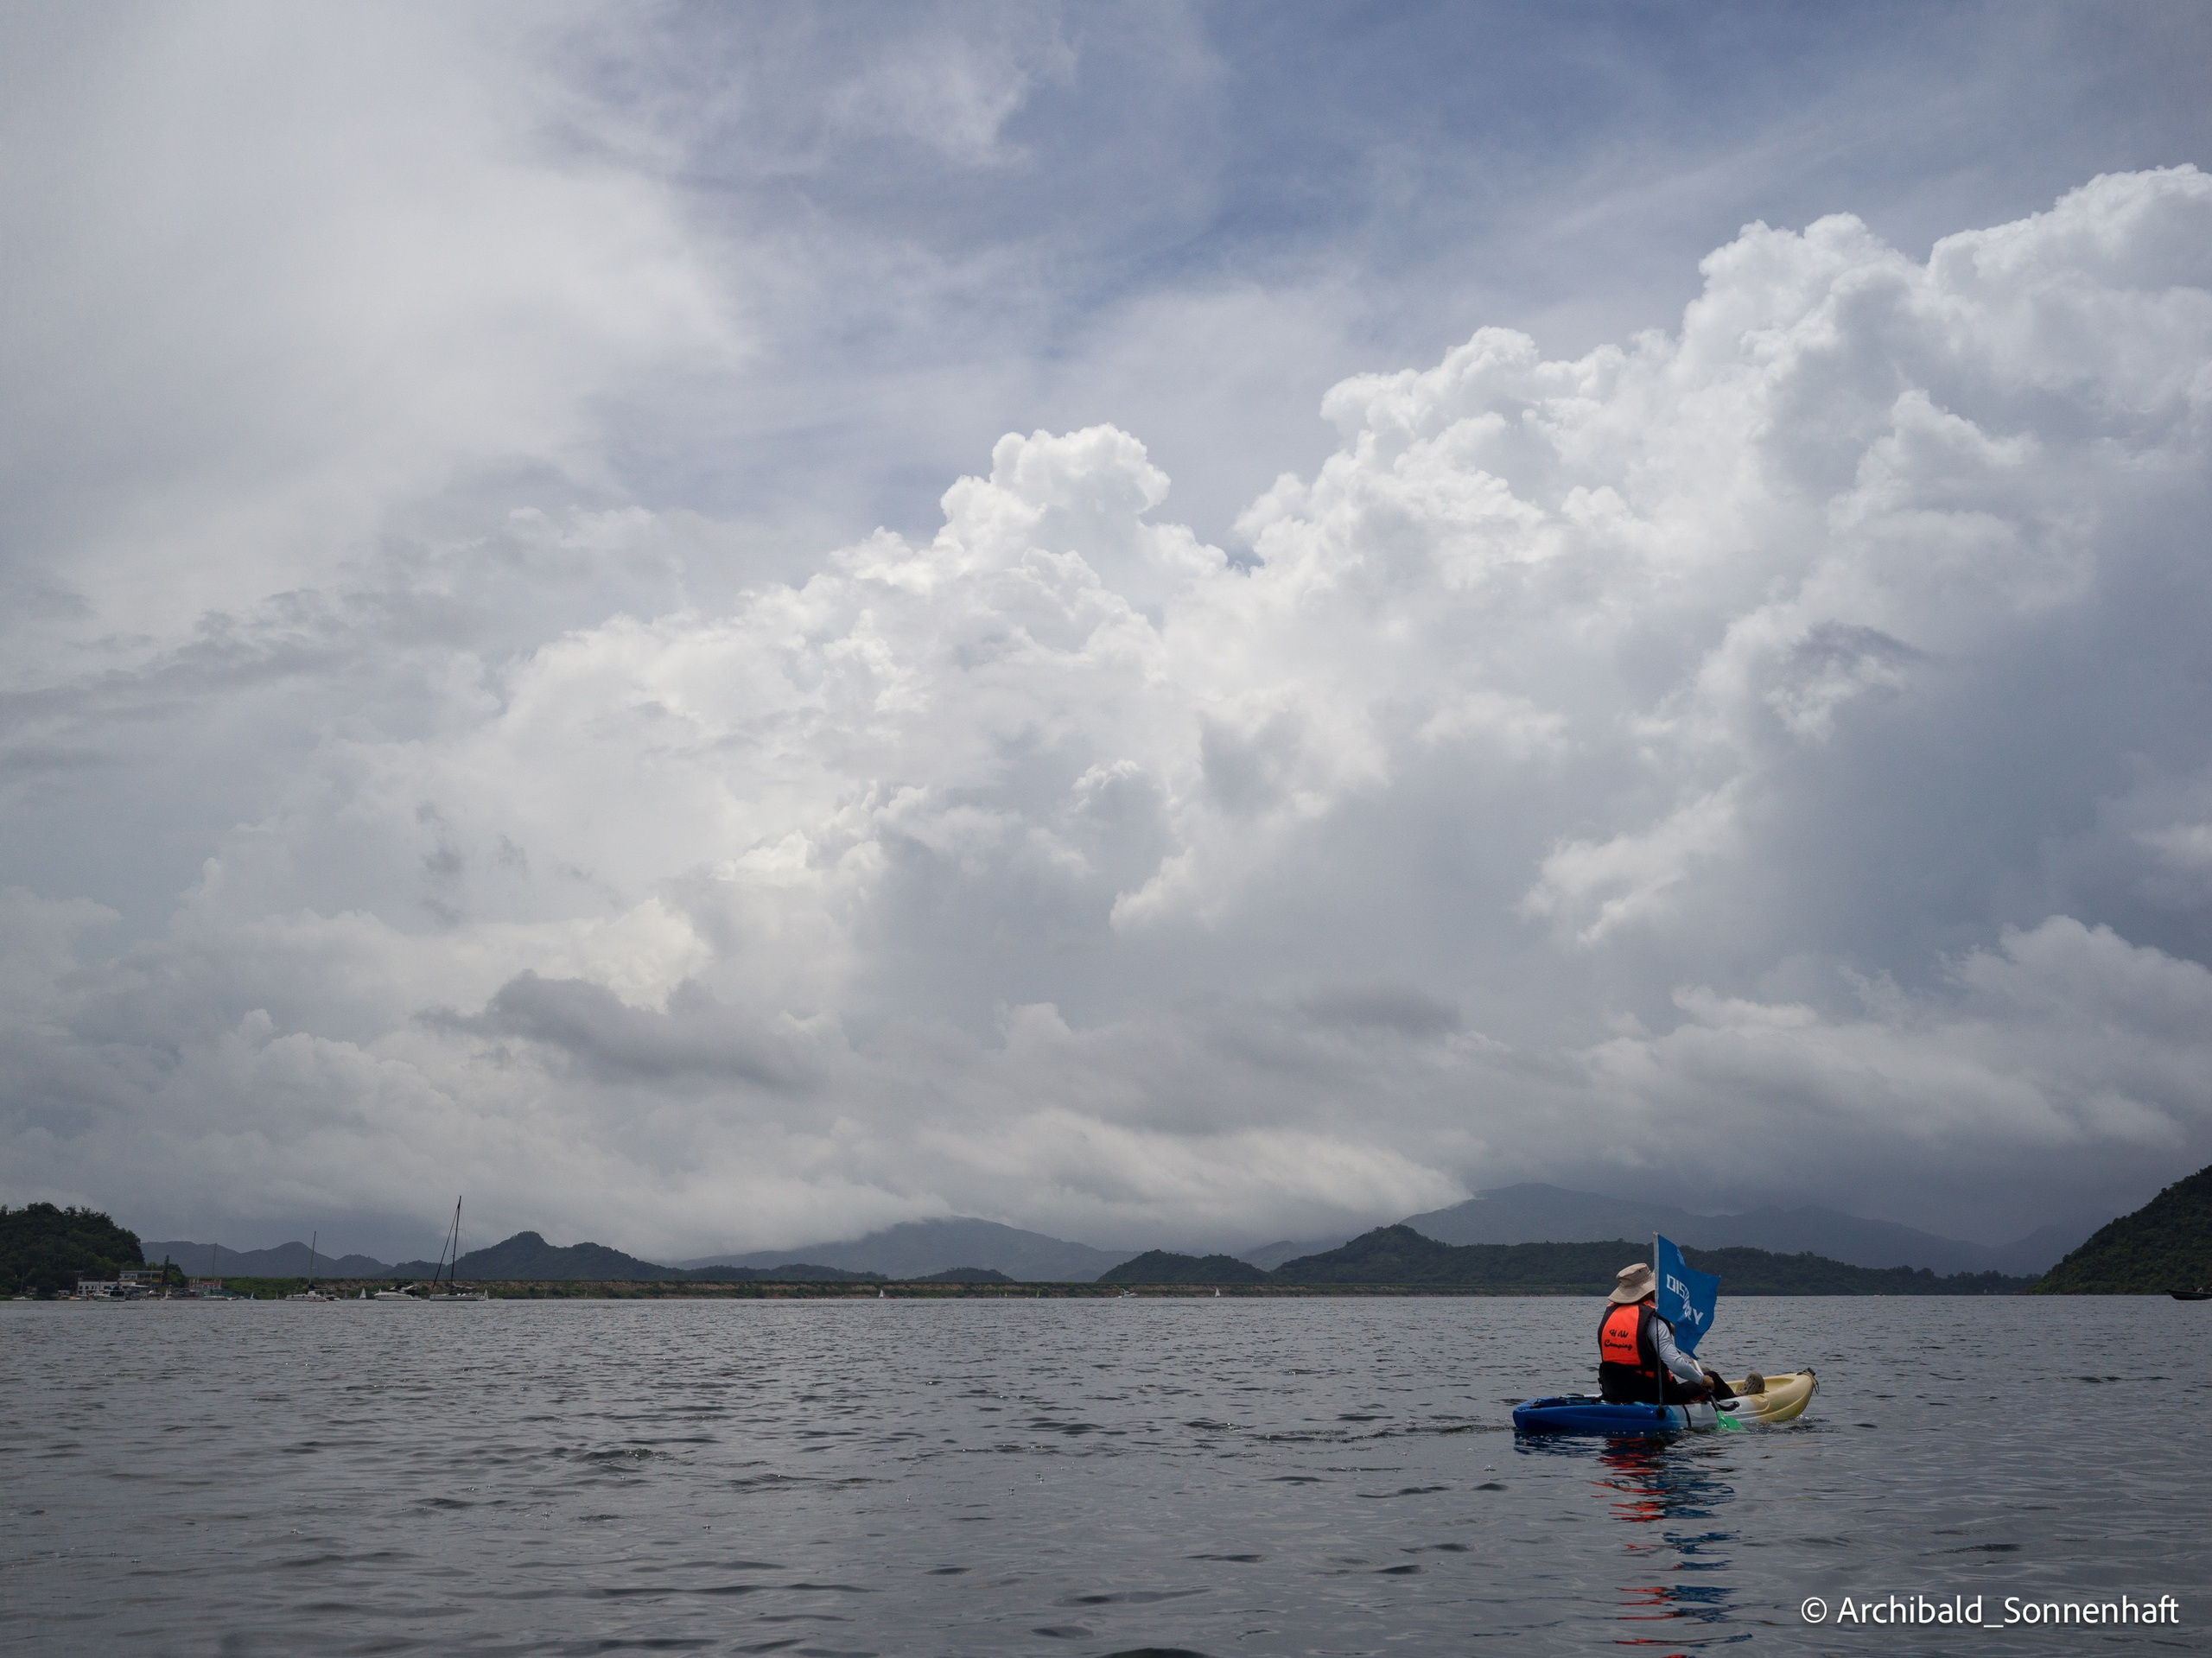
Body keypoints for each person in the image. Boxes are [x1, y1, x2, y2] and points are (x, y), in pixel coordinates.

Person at [1598, 1262, 1726, 1404]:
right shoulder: (1654, 1321)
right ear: (1650, 1291)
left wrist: (1667, 1327)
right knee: (1712, 1377)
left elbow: (1638, 1332)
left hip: (1615, 1393)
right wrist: (1702, 1380)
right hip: (1654, 1397)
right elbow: (1676, 1365)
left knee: (1700, 1373)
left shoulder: (1610, 1315)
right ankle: (1736, 1400)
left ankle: (1701, 1378)